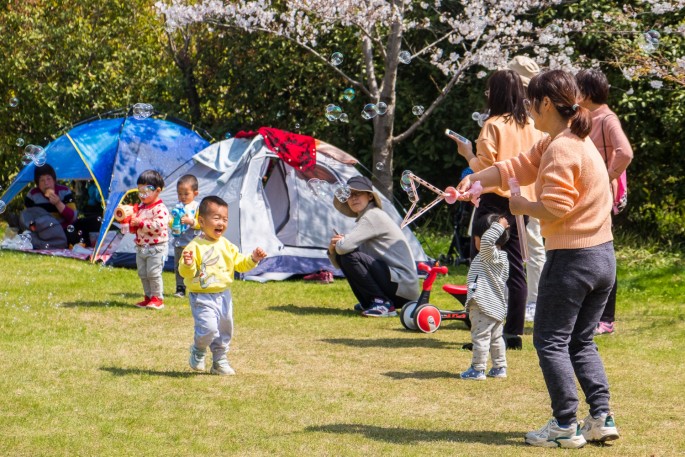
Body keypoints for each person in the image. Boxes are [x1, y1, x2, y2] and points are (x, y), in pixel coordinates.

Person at [455, 70, 619, 448]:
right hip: (602, 258)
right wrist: (476, 181)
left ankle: (564, 424)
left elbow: (557, 206)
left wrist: (521, 205)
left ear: (546, 104)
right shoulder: (566, 141)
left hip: (574, 259)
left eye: (531, 102)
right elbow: (516, 166)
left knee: (549, 341)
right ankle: (601, 416)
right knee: (581, 342)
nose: (527, 109)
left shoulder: (561, 147)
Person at [451, 69, 544, 349]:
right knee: (516, 269)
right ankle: (512, 334)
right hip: (521, 203)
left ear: (497, 94)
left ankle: (484, 332)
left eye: (490, 90)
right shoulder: (532, 125)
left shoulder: (492, 125)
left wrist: (467, 154)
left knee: (482, 266)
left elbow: (484, 168)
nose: (487, 95)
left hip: (492, 202)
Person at [180, 196, 267, 375]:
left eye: (225, 219)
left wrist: (253, 259)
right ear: (202, 221)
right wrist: (188, 264)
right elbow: (185, 272)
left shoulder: (227, 245)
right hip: (201, 295)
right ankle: (198, 350)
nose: (222, 223)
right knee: (208, 328)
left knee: (224, 329)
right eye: (217, 218)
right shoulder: (194, 246)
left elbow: (240, 264)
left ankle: (219, 361)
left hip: (223, 295)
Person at [576, 68, 634, 336]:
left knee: (602, 253)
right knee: (592, 252)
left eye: (577, 89)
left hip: (601, 194)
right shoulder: (587, 116)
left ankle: (606, 319)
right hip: (587, 193)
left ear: (587, 93)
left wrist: (607, 176)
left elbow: (625, 152)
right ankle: (591, 315)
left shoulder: (607, 118)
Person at [328, 176, 419, 318]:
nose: (353, 198)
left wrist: (339, 246)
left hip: (403, 286)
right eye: (349, 195)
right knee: (347, 255)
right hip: (400, 288)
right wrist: (333, 249)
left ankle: (382, 303)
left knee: (349, 255)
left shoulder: (373, 216)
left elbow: (344, 248)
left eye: (357, 193)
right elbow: (339, 260)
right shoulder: (367, 217)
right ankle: (372, 301)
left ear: (369, 196)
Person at [508, 56, 547, 323]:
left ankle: (534, 299)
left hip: (528, 187)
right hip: (522, 184)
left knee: (532, 245)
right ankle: (529, 298)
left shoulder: (530, 113)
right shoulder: (529, 109)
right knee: (526, 246)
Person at [459, 214, 510, 381]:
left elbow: (488, 242)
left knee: (480, 337)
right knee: (495, 338)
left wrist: (499, 225)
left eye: (477, 238)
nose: (475, 241)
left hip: (483, 305)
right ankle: (499, 367)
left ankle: (478, 369)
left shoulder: (490, 255)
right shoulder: (499, 258)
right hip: (495, 306)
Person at [130, 170, 170, 310]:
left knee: (153, 273)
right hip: (141, 247)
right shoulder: (140, 207)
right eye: (139, 190)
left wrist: (140, 223)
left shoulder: (160, 209)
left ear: (157, 190)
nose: (142, 194)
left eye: (146, 190)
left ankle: (157, 298)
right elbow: (135, 226)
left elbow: (159, 226)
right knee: (143, 273)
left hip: (156, 247)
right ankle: (148, 297)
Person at [23, 163, 77, 248]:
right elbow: (27, 218)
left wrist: (58, 203)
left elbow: (73, 217)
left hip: (63, 230)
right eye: (42, 180)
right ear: (37, 183)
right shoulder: (32, 195)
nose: (46, 183)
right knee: (27, 235)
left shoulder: (65, 191)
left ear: (54, 180)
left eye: (49, 179)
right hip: (42, 232)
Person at [171, 174, 201, 298]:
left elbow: (201, 223)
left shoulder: (197, 207)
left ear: (195, 193)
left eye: (186, 194)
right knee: (179, 266)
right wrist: (171, 223)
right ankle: (180, 288)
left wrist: (191, 222)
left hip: (193, 244)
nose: (182, 197)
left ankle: (196, 286)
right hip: (179, 243)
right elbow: (172, 222)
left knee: (195, 266)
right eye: (179, 194)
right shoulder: (177, 207)